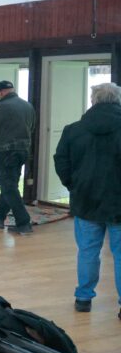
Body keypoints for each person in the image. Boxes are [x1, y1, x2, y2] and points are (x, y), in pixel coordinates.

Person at [53, 82, 121, 317]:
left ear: (93, 100)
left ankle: (83, 298)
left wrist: (74, 185)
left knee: (88, 251)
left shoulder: (73, 130)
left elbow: (61, 161)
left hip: (85, 200)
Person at [0, 80, 36, 234]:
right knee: (10, 185)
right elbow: (32, 127)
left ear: (0, 92)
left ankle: (23, 222)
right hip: (23, 151)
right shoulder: (28, 106)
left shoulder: (1, 107)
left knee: (8, 187)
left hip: (5, 152)